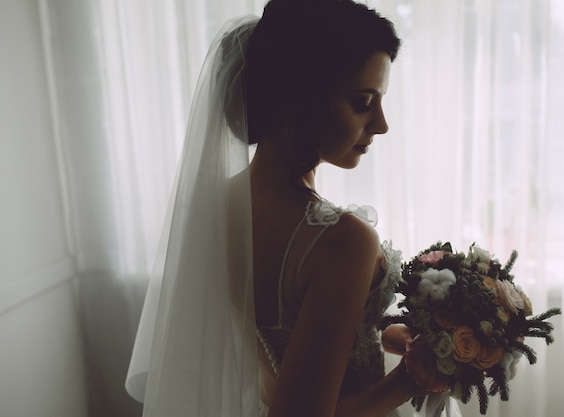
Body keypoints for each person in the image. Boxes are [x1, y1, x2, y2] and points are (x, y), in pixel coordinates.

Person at [126, 1, 447, 416]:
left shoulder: (215, 209)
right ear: (301, 102)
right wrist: (416, 376)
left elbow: (292, 345)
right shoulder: (341, 240)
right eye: (363, 101)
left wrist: (391, 335)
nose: (382, 123)